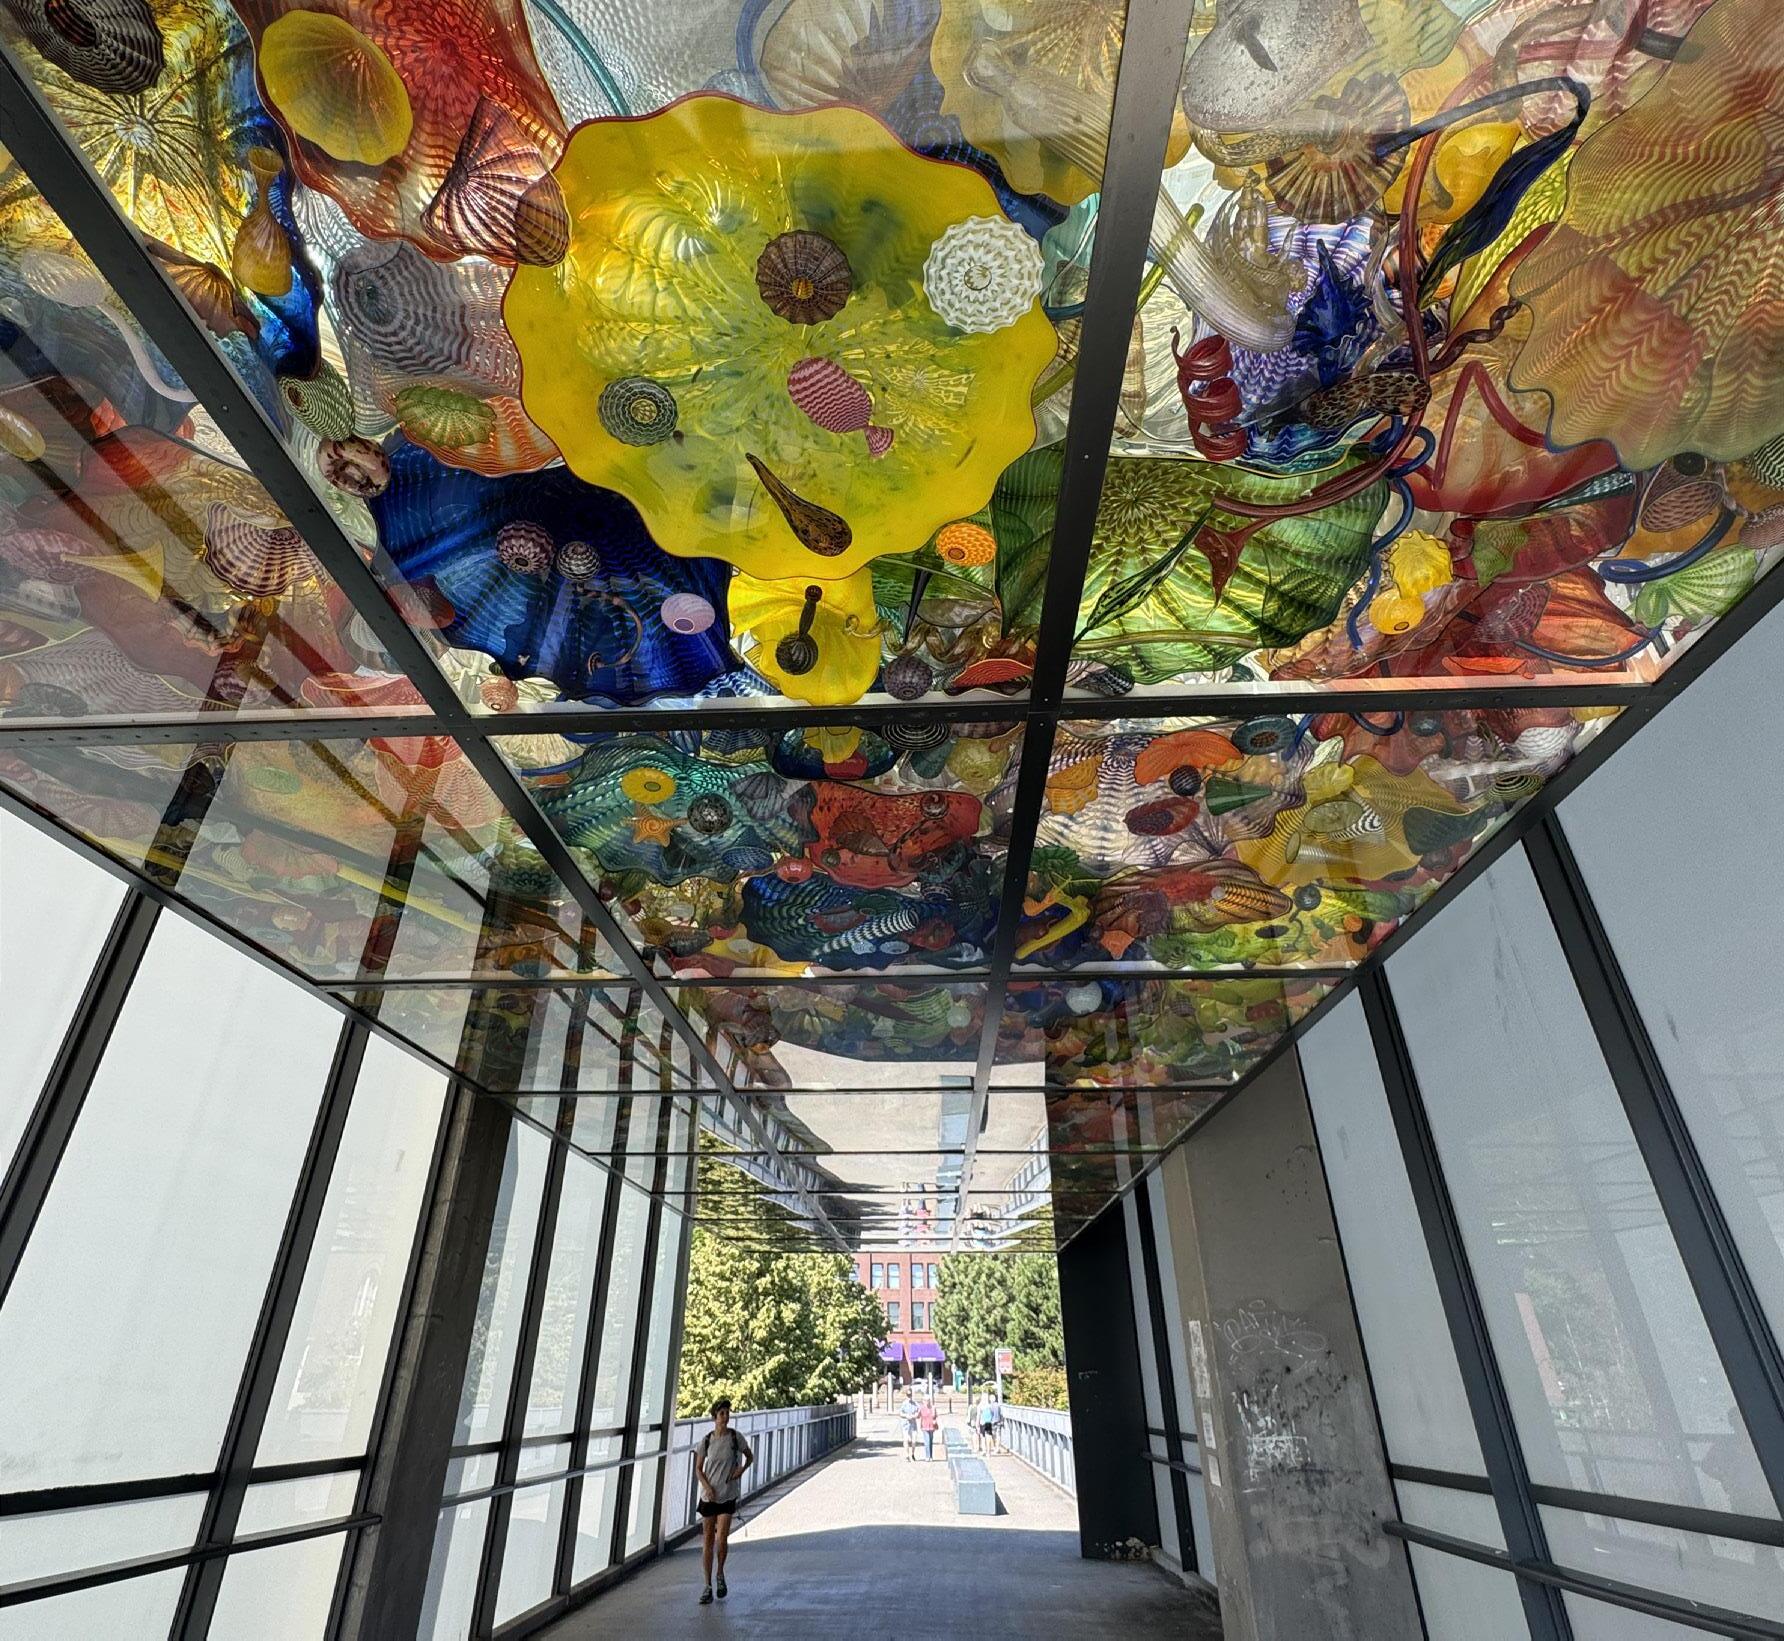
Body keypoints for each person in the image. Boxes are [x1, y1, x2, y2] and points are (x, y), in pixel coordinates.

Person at [693, 1397, 754, 1605]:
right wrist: (707, 1487)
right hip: (709, 1496)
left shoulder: (736, 1438)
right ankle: (707, 1585)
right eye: (722, 1414)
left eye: (727, 1413)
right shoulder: (706, 1441)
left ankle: (720, 1573)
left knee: (722, 1537)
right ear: (714, 1417)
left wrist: (741, 1470)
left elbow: (750, 1457)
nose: (726, 1417)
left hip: (727, 1494)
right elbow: (698, 1469)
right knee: (708, 1540)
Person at [897, 1388, 921, 1461]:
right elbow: (900, 1413)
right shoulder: (904, 1404)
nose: (909, 1397)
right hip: (905, 1424)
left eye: (910, 1395)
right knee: (906, 1440)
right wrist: (906, 1416)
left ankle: (912, 1454)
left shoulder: (915, 1404)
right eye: (908, 1395)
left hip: (913, 1424)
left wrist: (916, 1415)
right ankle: (907, 1455)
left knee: (914, 1441)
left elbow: (919, 1412)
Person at [979, 1388, 1002, 1455]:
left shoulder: (981, 1406)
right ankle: (990, 1451)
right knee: (990, 1436)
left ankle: (985, 1450)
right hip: (991, 1422)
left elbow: (979, 1415)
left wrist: (977, 1424)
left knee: (983, 1437)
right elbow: (997, 1414)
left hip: (984, 1422)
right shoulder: (992, 1406)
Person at [917, 1393, 939, 1461]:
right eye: (925, 1400)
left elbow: (936, 1416)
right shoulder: (921, 1408)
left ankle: (931, 1456)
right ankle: (927, 1456)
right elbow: (918, 1416)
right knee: (927, 1441)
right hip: (924, 1426)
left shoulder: (933, 1407)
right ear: (923, 1401)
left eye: (928, 1400)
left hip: (932, 1426)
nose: (926, 1402)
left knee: (930, 1441)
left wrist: (935, 1420)